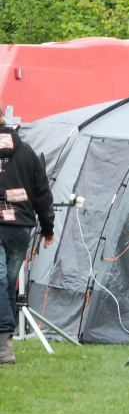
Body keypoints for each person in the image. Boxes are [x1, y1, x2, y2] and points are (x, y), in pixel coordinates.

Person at [0, 113, 55, 364]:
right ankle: (6, 343)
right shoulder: (27, 151)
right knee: (6, 285)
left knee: (1, 283)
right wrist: (48, 228)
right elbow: (43, 193)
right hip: (20, 227)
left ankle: (3, 347)